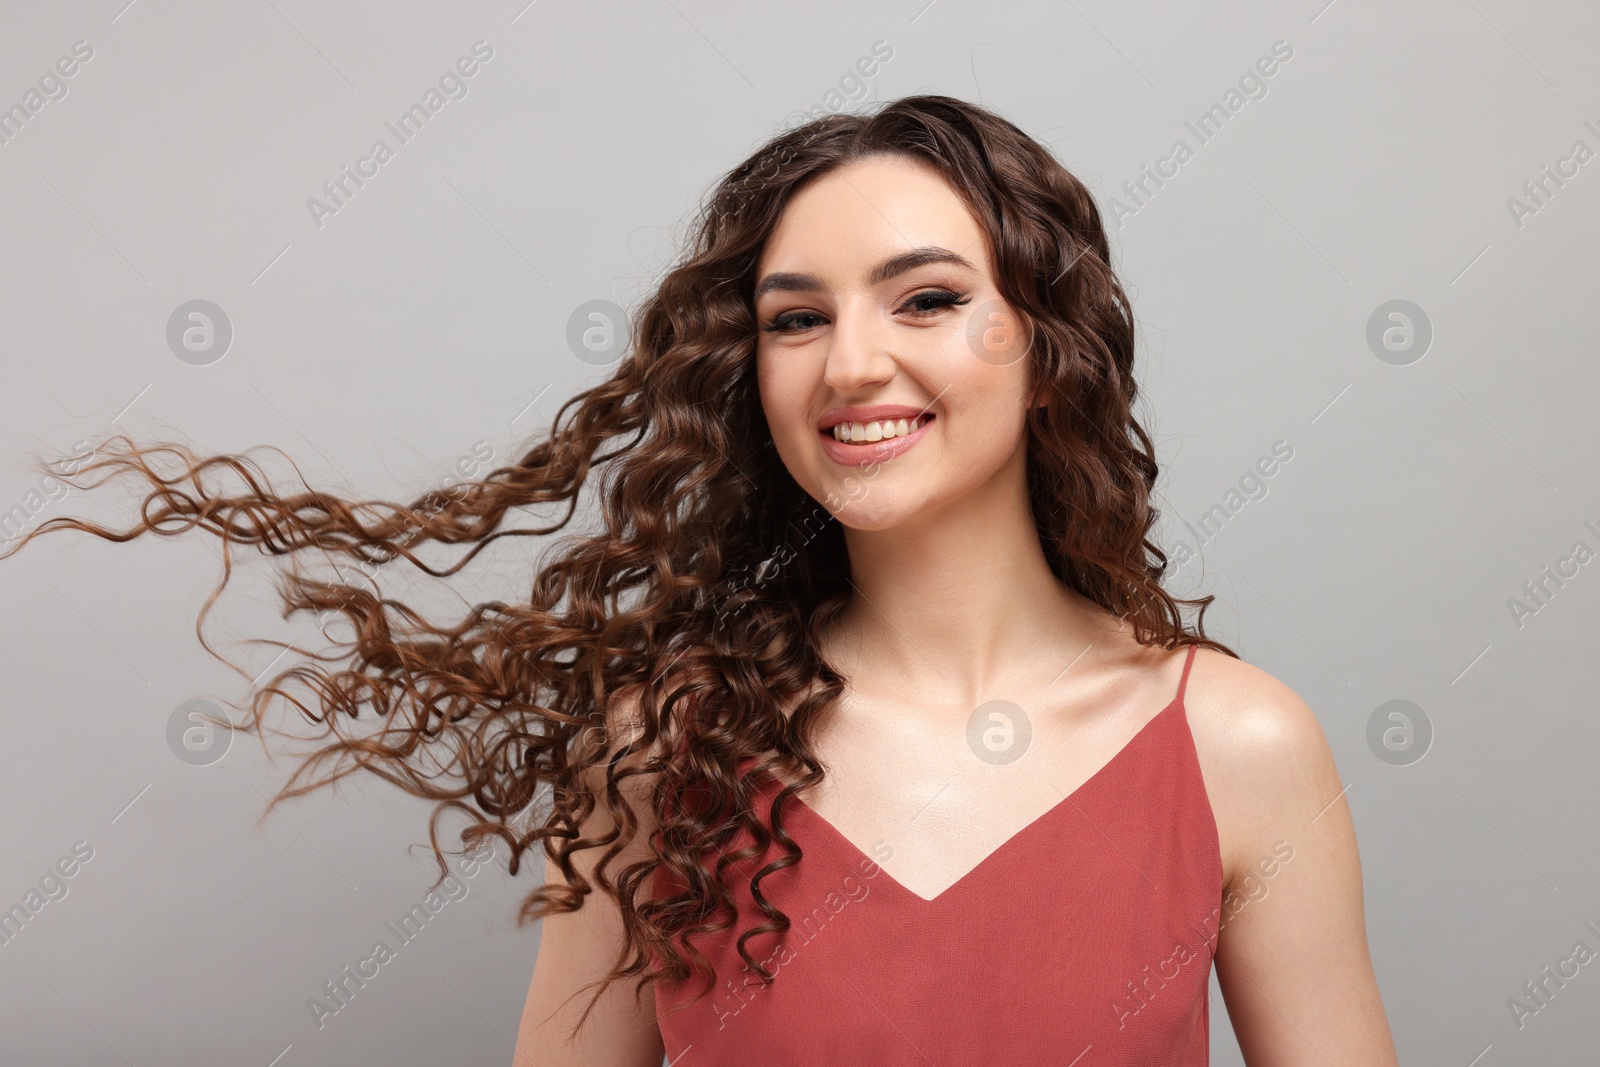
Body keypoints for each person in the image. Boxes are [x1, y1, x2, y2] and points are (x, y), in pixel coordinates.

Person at [6, 95, 1397, 1065]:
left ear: (1050, 349)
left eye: (925, 298)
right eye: (797, 318)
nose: (851, 363)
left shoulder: (1238, 747)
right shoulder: (662, 749)